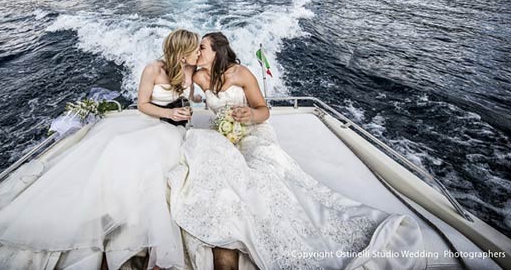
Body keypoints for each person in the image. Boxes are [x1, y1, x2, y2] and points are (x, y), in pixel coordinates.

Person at [0, 29, 201, 270]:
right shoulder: (152, 69)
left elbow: (189, 99)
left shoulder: (189, 70)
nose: (198, 53)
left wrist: (191, 105)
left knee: (161, 160)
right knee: (120, 148)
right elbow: (142, 104)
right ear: (181, 52)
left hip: (171, 127)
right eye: (194, 49)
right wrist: (170, 112)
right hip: (147, 120)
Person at [168, 32, 424, 270]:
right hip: (223, 133)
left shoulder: (242, 74)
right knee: (216, 169)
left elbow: (263, 110)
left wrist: (249, 114)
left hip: (253, 130)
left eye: (202, 47)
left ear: (217, 51)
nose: (197, 51)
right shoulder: (200, 75)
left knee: (264, 170)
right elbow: (176, 73)